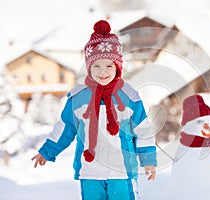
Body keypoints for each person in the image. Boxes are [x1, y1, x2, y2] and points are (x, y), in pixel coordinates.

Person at [31, 20, 157, 200]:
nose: (102, 71)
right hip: (90, 172)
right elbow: (65, 128)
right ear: (89, 67)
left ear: (118, 67)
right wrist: (47, 151)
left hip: (122, 172)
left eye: (109, 66)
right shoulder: (78, 98)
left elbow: (143, 131)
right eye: (96, 66)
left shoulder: (130, 97)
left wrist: (148, 161)